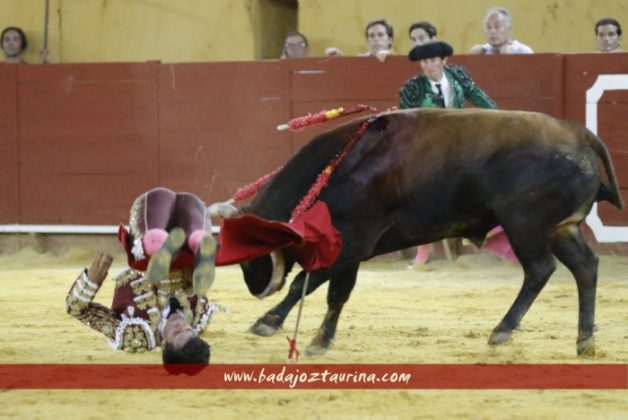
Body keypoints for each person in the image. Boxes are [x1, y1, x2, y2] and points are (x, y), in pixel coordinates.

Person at [66, 187, 219, 365]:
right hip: (182, 247)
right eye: (189, 330)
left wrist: (91, 282)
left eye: (177, 333)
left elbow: (76, 309)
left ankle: (157, 245)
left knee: (157, 200)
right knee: (191, 206)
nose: (182, 324)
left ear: (163, 344)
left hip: (143, 254)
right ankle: (199, 239)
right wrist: (210, 214)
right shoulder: (199, 315)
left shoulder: (135, 335)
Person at [399, 41, 496, 265]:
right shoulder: (412, 89)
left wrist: (500, 122)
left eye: (433, 60)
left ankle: (475, 241)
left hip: (461, 146)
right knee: (420, 195)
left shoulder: (458, 76)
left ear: (444, 61)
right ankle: (424, 252)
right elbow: (407, 125)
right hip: (428, 151)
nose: (429, 66)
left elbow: (480, 99)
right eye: (424, 61)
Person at [325, 19, 395, 62]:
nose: (376, 39)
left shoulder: (399, 61)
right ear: (368, 41)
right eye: (371, 36)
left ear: (390, 40)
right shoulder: (359, 61)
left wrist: (389, 59)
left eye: (380, 35)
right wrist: (338, 61)